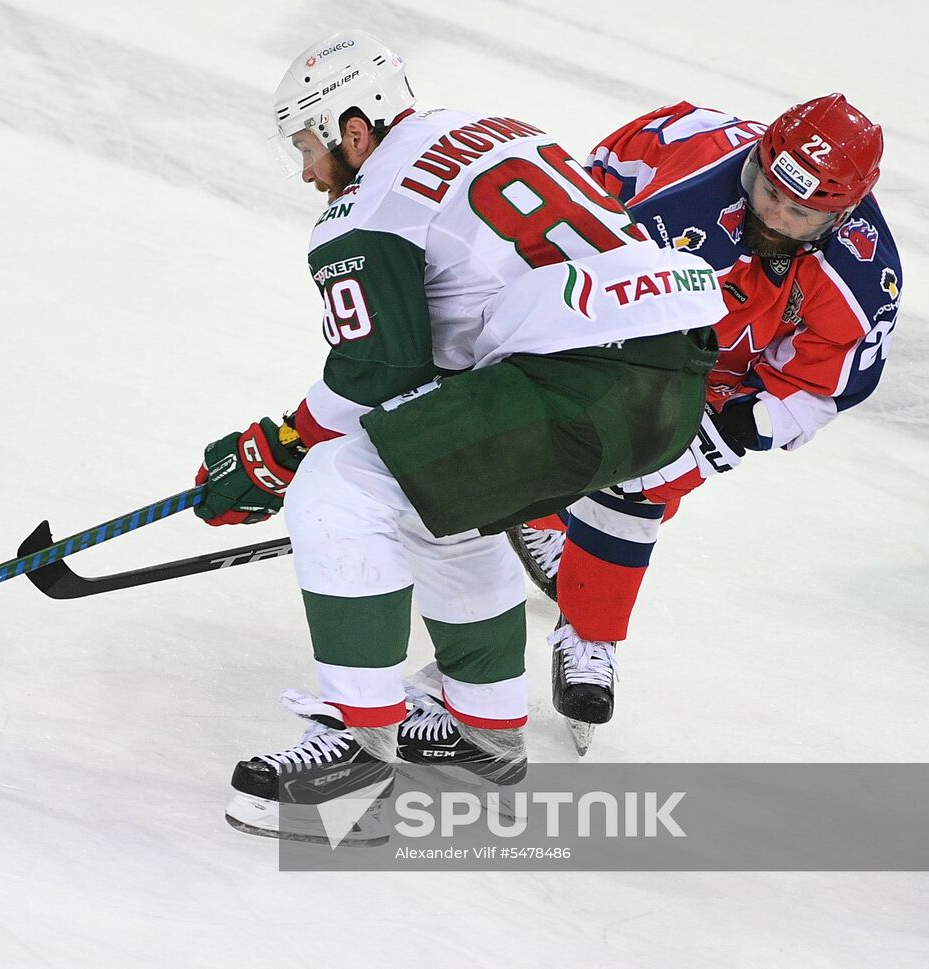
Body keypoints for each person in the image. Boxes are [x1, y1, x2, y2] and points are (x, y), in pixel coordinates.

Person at [191, 31, 727, 843]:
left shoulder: (365, 208)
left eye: (309, 145)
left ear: (353, 128)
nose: (306, 171)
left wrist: (277, 448)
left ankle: (357, 755)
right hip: (674, 386)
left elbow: (377, 371)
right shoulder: (493, 128)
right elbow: (429, 375)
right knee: (437, 490)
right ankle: (482, 736)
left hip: (576, 385)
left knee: (337, 482)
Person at [505, 95, 900, 750]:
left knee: (645, 480)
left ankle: (587, 631)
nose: (770, 213)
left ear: (840, 215)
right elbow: (572, 218)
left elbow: (818, 388)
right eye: (767, 188)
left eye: (797, 211)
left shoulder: (862, 277)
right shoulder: (675, 180)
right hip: (619, 311)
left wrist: (752, 422)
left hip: (731, 376)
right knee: (568, 422)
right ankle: (544, 516)